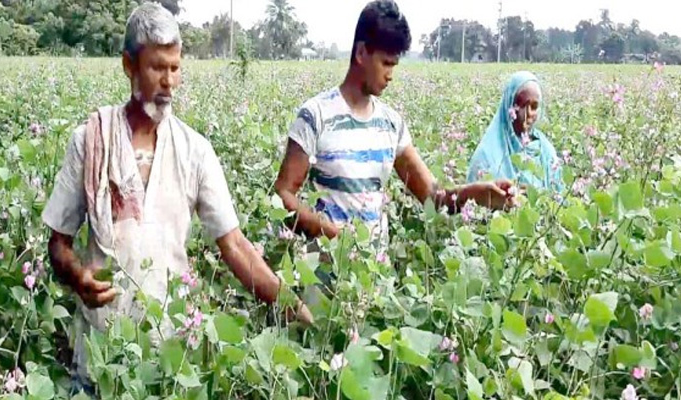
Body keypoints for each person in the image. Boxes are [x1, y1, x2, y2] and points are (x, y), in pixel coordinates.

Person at [41, 3, 312, 396]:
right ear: (128, 65)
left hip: (170, 358)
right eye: (157, 68)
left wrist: (296, 310)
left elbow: (235, 246)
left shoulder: (194, 151)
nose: (169, 81)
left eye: (175, 68)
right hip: (101, 355)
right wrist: (77, 276)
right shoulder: (91, 140)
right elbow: (58, 244)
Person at [273, 0, 517, 255]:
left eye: (394, 65)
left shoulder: (391, 124)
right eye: (386, 63)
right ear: (360, 54)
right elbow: (282, 195)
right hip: (323, 278)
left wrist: (480, 194)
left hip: (374, 280)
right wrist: (330, 234)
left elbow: (434, 198)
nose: (391, 74)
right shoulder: (316, 116)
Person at [467, 71, 564, 192]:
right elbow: (475, 201)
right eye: (522, 106)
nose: (528, 114)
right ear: (509, 106)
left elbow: (558, 198)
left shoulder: (545, 151)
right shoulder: (487, 154)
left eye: (534, 107)